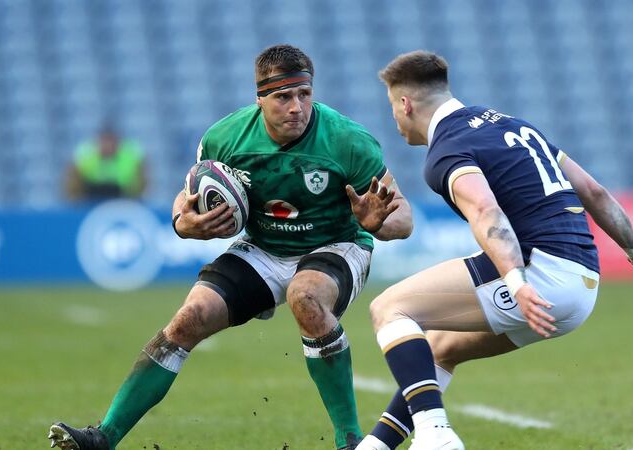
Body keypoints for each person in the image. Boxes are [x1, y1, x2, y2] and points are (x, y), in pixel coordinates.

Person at [49, 44, 413, 450]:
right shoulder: (225, 138)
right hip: (264, 246)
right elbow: (187, 194)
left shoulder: (348, 141)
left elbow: (403, 217)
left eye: (304, 94)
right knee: (189, 318)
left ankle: (349, 440)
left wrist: (379, 223)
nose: (297, 107)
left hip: (337, 242)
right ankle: (104, 437)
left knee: (305, 297)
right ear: (260, 98)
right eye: (283, 97)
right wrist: (182, 221)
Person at [355, 51, 633, 450]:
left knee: (388, 308)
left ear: (405, 103)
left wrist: (517, 283)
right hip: (584, 285)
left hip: (539, 276)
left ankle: (435, 436)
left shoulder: (447, 149)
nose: (395, 119)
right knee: (439, 348)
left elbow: (486, 211)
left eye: (392, 108)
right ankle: (376, 446)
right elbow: (594, 191)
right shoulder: (513, 125)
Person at [65, 126, 147, 201]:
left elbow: (140, 185)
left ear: (117, 142)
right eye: (105, 141)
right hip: (90, 199)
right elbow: (73, 185)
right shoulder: (86, 157)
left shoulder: (129, 158)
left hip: (122, 200)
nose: (108, 145)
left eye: (111, 141)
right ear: (98, 142)